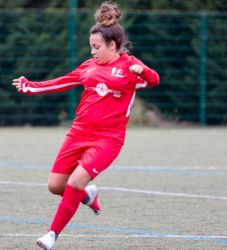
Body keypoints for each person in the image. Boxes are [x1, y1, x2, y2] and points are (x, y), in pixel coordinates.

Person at [12, 1, 160, 249]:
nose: (92, 52)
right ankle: (89, 196)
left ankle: (52, 235)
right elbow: (63, 81)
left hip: (108, 139)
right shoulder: (89, 66)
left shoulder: (129, 66)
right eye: (91, 46)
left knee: (74, 183)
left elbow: (154, 80)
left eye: (97, 47)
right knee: (55, 186)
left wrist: (142, 71)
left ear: (112, 45)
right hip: (78, 133)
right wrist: (30, 86)